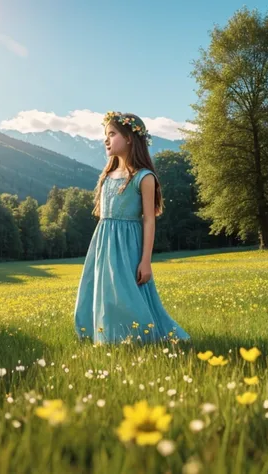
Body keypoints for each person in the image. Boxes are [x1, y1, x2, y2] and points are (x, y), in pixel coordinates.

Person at [74, 111, 190, 344]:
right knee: (103, 292)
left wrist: (145, 260)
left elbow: (149, 219)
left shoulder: (144, 177)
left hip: (128, 245)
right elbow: (103, 218)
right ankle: (106, 337)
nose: (106, 140)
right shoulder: (107, 176)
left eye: (112, 134)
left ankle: (138, 338)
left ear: (129, 138)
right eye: (105, 135)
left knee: (128, 295)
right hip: (104, 244)